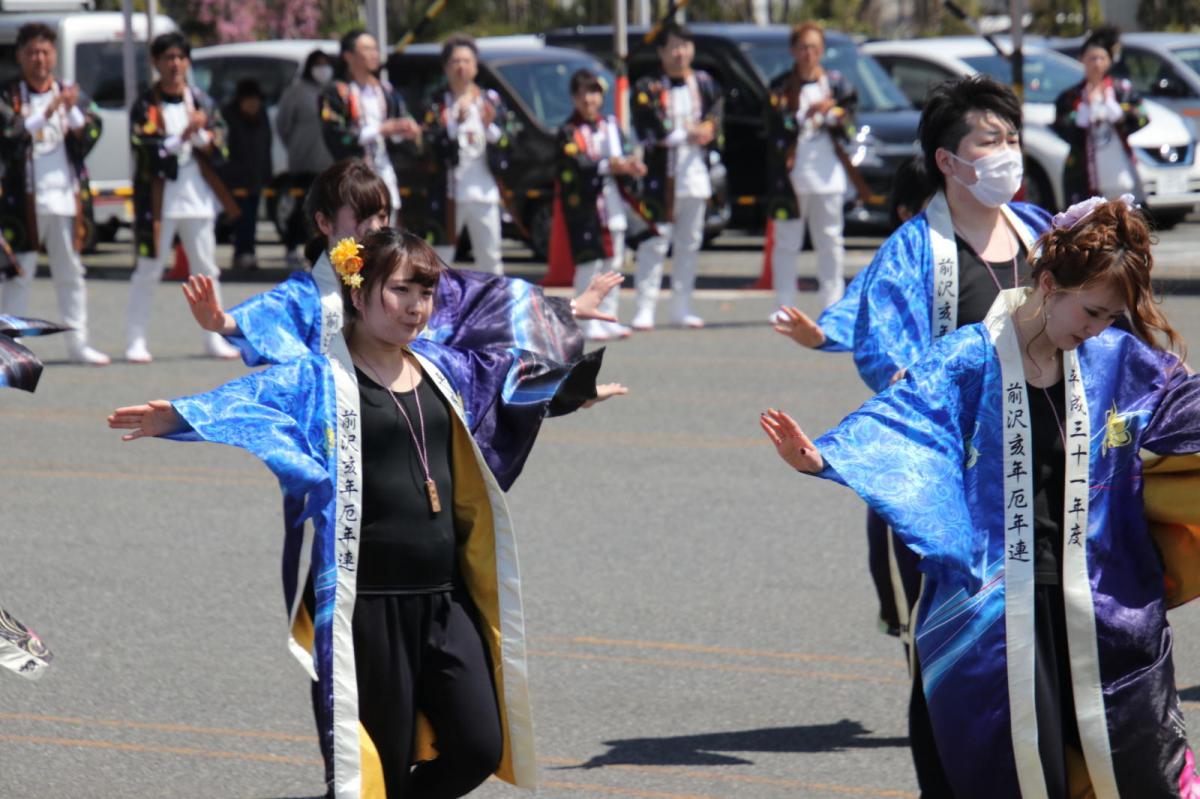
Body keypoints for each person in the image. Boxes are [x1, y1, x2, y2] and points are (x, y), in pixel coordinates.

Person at [110, 228, 624, 798]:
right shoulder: (319, 377)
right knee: (384, 760)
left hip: (445, 596)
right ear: (358, 294)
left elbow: (505, 381)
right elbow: (251, 399)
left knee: (478, 744)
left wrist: (571, 391)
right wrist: (179, 416)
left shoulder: (440, 368)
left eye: (425, 294)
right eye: (401, 290)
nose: (416, 307)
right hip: (369, 604)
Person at [763, 196, 1200, 798]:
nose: (1098, 328)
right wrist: (823, 459)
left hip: (1103, 601)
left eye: (1110, 317)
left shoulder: (1115, 360)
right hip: (992, 607)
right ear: (1048, 283)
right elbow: (909, 423)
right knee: (1011, 773)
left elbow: (1185, 412)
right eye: (1093, 311)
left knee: (1142, 774)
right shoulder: (969, 356)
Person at [771, 75, 1052, 795]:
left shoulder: (1043, 233)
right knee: (950, 659)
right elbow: (886, 347)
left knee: (1040, 652)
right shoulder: (914, 250)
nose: (1007, 155)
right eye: (989, 141)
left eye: (1012, 139)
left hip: (1037, 478)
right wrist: (827, 354)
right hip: (948, 483)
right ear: (947, 161)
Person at [182, 158, 624, 371]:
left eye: (383, 215)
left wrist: (562, 308)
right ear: (323, 222)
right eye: (366, 215)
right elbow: (270, 315)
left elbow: (482, 297)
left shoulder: (407, 274)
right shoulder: (307, 294)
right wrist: (222, 322)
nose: (378, 226)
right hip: (346, 429)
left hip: (408, 413)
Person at [125, 32, 241, 364]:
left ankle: (215, 335)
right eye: (167, 58)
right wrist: (183, 136)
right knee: (149, 267)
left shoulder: (202, 100)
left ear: (187, 61)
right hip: (158, 199)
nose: (174, 64)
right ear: (156, 63)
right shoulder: (146, 104)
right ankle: (136, 339)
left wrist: (202, 135)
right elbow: (146, 148)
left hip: (197, 195)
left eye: (180, 57)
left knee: (206, 267)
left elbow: (222, 146)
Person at [0, 22, 110, 365]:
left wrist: (69, 109)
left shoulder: (69, 93)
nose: (39, 59)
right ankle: (8, 351)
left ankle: (78, 344)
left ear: (54, 55)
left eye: (45, 52)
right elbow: (8, 135)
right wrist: (45, 113)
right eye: (32, 52)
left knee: (71, 275)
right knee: (18, 276)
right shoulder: (9, 96)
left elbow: (92, 130)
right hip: (23, 202)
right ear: (20, 56)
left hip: (65, 201)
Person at [630, 22, 723, 330]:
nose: (679, 53)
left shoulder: (705, 83)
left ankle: (681, 306)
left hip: (695, 173)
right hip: (661, 175)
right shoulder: (648, 87)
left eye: (684, 46)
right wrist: (686, 133)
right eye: (673, 47)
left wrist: (709, 131)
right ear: (661, 51)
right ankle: (645, 306)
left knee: (690, 242)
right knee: (654, 242)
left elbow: (716, 119)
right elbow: (647, 129)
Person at [765, 22, 856, 317]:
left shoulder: (836, 83)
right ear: (793, 50)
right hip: (791, 176)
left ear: (822, 51)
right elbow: (775, 127)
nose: (808, 54)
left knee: (830, 240)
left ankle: (833, 303)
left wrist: (832, 114)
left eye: (814, 48)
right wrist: (806, 113)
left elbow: (851, 123)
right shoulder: (780, 86)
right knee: (787, 241)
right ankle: (784, 303)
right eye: (803, 47)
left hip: (829, 173)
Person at [550, 68, 645, 341]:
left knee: (613, 260)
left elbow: (624, 153)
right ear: (574, 98)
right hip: (584, 204)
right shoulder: (568, 131)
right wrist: (608, 165)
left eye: (594, 93)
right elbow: (575, 165)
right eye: (582, 94)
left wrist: (631, 165)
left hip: (612, 200)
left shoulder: (611, 125)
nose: (589, 100)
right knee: (589, 262)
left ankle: (608, 315)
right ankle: (585, 318)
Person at [419, 35, 515, 275]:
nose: (461, 67)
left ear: (475, 65)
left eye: (466, 61)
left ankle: (493, 310)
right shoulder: (437, 101)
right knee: (440, 259)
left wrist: (489, 127)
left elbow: (509, 141)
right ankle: (436, 311)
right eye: (455, 61)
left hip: (484, 191)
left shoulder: (490, 100)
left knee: (490, 257)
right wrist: (453, 126)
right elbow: (428, 144)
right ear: (445, 67)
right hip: (448, 193)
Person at [319, 30, 422, 224]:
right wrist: (382, 129)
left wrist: (404, 131)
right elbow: (335, 133)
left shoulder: (386, 90)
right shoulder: (336, 93)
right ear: (348, 56)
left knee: (386, 234)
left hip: (384, 173)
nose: (374, 54)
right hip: (351, 177)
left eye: (375, 49)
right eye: (367, 49)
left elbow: (397, 131)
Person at [1054, 26, 1147, 207]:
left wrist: (1114, 108)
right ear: (1082, 60)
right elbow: (1062, 127)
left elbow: (1142, 117)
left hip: (1120, 169)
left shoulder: (1121, 91)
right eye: (1092, 58)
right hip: (1084, 172)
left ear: (1109, 62)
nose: (1096, 63)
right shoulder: (1071, 96)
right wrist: (1085, 109)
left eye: (1101, 58)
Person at [276, 48, 336, 269]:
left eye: (326, 64)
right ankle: (292, 246)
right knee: (303, 206)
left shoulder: (335, 91)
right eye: (317, 64)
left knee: (329, 210)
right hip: (305, 161)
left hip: (331, 162)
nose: (323, 69)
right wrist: (295, 145)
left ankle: (325, 251)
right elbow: (283, 125)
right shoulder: (297, 92)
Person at [223, 78, 272, 270]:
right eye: (248, 100)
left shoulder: (263, 117)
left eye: (256, 100)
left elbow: (267, 145)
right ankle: (243, 252)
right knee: (243, 216)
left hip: (256, 176)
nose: (253, 104)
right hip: (236, 178)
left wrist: (267, 173)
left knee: (252, 216)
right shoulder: (229, 117)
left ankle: (247, 252)